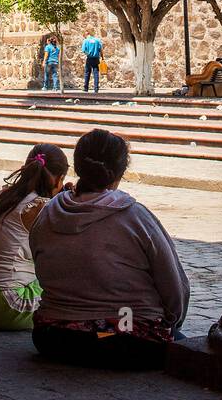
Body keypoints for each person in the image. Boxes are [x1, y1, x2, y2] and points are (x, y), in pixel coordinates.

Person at [29, 128, 190, 368]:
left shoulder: (48, 212)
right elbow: (174, 285)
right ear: (119, 172)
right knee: (181, 346)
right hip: (124, 341)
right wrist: (171, 323)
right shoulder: (135, 216)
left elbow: (39, 265)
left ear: (78, 166)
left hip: (53, 336)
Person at [0, 143, 68, 330]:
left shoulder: (1, 196)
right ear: (59, 180)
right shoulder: (39, 207)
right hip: (5, 306)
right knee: (70, 292)